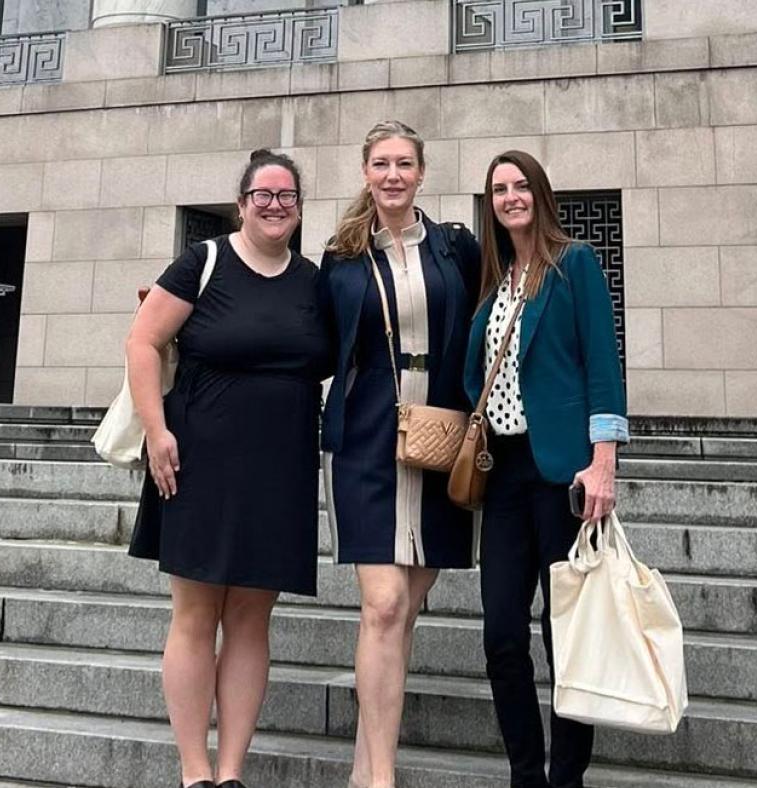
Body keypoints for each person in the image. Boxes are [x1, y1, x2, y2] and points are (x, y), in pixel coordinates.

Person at [126, 149, 329, 788]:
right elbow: (142, 340)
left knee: (250, 617)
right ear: (242, 203)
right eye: (263, 195)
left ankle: (232, 771)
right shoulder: (203, 262)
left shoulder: (312, 281)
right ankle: (194, 772)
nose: (275, 205)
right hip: (197, 459)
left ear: (299, 209)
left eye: (287, 196)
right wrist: (156, 432)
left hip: (281, 463)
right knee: (195, 614)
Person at [317, 120, 482, 788]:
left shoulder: (455, 248)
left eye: (404, 163)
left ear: (421, 173)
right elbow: (310, 341)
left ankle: (364, 766)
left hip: (442, 437)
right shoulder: (342, 256)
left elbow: (486, 317)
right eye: (381, 163)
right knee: (383, 603)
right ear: (365, 171)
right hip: (367, 438)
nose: (392, 174)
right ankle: (382, 777)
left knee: (405, 610)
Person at [465, 150, 628, 788]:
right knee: (502, 633)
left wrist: (604, 461)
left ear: (539, 193)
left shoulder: (575, 265)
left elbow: (601, 363)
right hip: (502, 474)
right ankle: (525, 774)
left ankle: (567, 779)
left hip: (563, 474)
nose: (511, 197)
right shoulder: (495, 283)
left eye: (520, 185)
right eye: (499, 189)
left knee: (566, 633)